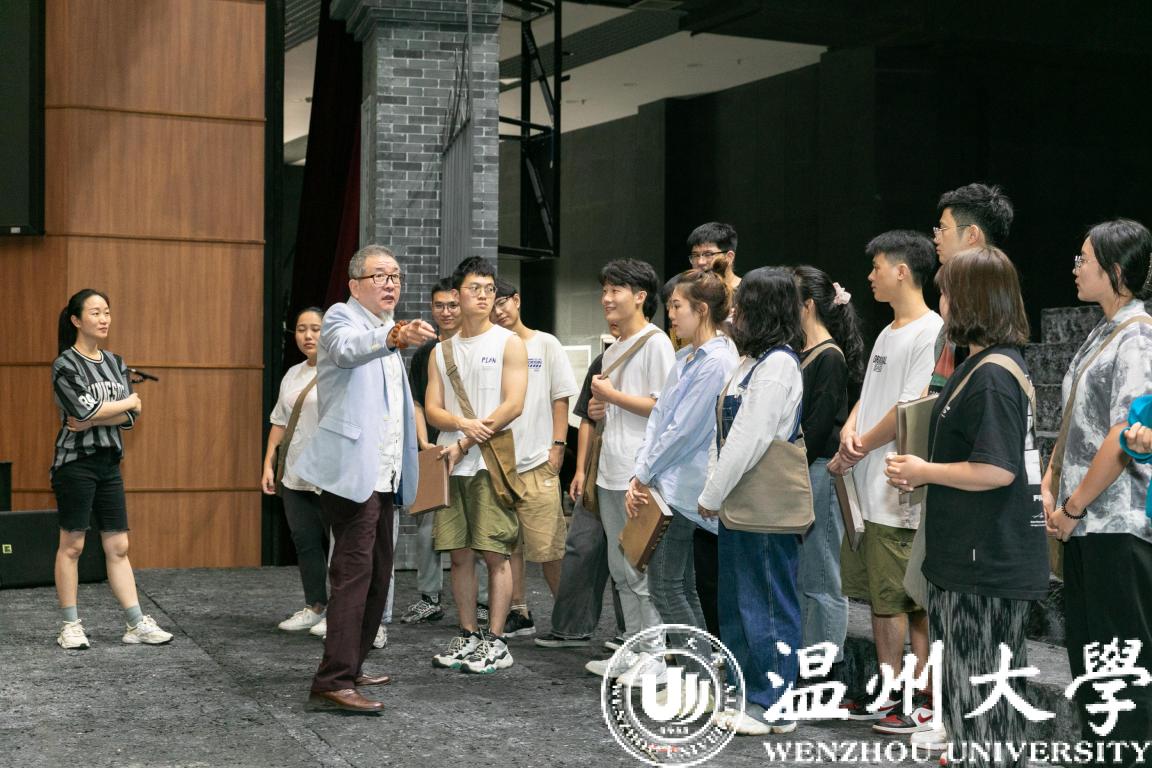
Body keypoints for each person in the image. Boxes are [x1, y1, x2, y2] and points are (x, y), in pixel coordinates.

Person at [884, 249, 1048, 760]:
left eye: (947, 293)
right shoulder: (979, 364)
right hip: (970, 557)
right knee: (970, 698)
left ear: (972, 300)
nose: (942, 303)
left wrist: (924, 471)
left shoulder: (994, 373)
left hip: (985, 563)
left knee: (982, 702)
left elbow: (997, 469)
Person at [292, 244, 437, 714]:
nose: (391, 283)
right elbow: (348, 351)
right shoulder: (342, 318)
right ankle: (331, 681)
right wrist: (393, 335)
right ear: (355, 284)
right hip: (353, 473)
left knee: (377, 576)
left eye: (396, 276)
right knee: (353, 577)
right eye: (380, 276)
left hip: (384, 474)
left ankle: (351, 667)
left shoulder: (386, 330)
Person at [1043, 219, 1152, 767]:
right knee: (1091, 665)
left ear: (1114, 270)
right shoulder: (1103, 330)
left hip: (1116, 525)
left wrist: (1072, 505)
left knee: (1120, 671)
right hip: (1088, 524)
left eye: (1084, 258)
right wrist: (1050, 482)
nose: (1076, 267)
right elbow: (1073, 422)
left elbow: (1122, 435)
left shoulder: (1138, 336)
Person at [829, 230, 943, 733]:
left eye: (877, 267)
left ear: (902, 270)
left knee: (908, 600)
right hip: (869, 485)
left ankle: (920, 697)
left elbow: (910, 406)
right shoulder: (887, 331)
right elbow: (872, 393)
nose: (870, 276)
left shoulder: (931, 330)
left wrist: (861, 444)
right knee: (881, 598)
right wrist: (851, 428)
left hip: (900, 489)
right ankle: (887, 690)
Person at [697, 267, 806, 736]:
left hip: (762, 506)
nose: (733, 311)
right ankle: (750, 694)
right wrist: (714, 489)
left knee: (767, 602)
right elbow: (723, 436)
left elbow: (748, 438)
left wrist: (711, 493)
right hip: (739, 503)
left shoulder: (779, 365)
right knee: (740, 601)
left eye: (741, 303)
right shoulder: (750, 362)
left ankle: (774, 701)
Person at [624, 259, 739, 683]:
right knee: (679, 586)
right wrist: (643, 471)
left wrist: (643, 474)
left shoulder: (717, 360)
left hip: (683, 489)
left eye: (677, 307)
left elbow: (684, 430)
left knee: (666, 588)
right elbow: (661, 419)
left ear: (701, 310)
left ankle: (699, 678)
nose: (670, 315)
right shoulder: (689, 356)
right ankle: (701, 674)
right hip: (669, 484)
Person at [51, 289, 173, 650]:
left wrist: (105, 414)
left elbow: (129, 417)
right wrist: (125, 403)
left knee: (119, 545)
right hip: (75, 464)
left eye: (106, 312)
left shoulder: (116, 362)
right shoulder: (65, 364)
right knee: (72, 545)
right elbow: (84, 410)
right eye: (95, 312)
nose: (104, 319)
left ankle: (135, 623)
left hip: (109, 463)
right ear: (76, 320)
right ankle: (70, 625)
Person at [425, 256, 528, 674]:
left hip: (487, 462)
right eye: (475, 288)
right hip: (450, 464)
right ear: (457, 294)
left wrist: (466, 439)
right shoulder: (441, 350)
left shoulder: (508, 342)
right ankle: (468, 634)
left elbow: (513, 404)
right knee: (459, 554)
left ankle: (497, 641)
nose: (484, 296)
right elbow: (432, 409)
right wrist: (460, 425)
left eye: (489, 289)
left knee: (495, 552)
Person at [583, 259, 677, 683]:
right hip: (610, 470)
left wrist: (612, 396)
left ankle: (654, 659)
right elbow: (613, 408)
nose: (606, 298)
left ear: (640, 297)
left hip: (639, 473)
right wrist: (599, 408)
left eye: (615, 290)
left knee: (641, 571)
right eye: (604, 290)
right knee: (621, 571)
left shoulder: (656, 343)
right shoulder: (614, 347)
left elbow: (664, 408)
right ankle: (632, 649)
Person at [491, 278, 578, 636]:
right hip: (500, 463)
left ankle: (569, 620)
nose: (497, 311)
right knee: (508, 545)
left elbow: (561, 398)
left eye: (502, 302)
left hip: (538, 461)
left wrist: (557, 446)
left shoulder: (545, 344)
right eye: (490, 306)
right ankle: (519, 610)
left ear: (517, 300)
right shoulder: (491, 348)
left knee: (549, 549)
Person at [533, 323, 628, 649]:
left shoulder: (656, 351)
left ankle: (630, 633)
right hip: (599, 465)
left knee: (627, 554)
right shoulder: (604, 361)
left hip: (631, 471)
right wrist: (581, 470)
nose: (608, 304)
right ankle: (570, 628)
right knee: (581, 546)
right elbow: (587, 418)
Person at [792, 266, 865, 678]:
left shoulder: (829, 356)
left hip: (818, 471)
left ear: (806, 306)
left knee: (822, 577)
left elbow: (819, 429)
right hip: (806, 471)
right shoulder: (805, 352)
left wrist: (789, 471)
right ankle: (810, 663)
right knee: (808, 575)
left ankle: (826, 670)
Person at [685, 223, 740, 635]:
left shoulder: (745, 296)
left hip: (729, 439)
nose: (702, 262)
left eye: (710, 254)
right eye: (696, 255)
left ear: (729, 256)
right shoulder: (691, 295)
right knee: (701, 566)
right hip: (698, 446)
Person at [261, 307, 328, 633]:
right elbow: (280, 422)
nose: (308, 336)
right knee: (306, 542)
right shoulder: (292, 373)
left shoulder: (339, 370)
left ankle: (341, 611)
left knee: (340, 546)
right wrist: (268, 462)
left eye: (315, 328)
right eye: (301, 329)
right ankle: (315, 605)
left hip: (330, 476)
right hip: (294, 473)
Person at [400, 277, 461, 625]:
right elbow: (417, 403)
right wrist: (425, 444)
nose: (446, 312)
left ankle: (484, 603)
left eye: (452, 305)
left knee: (477, 532)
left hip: (472, 448)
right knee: (426, 529)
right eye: (439, 306)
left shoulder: (479, 347)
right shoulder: (424, 353)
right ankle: (429, 598)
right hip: (435, 449)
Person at [929, 183, 1014, 393]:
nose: (936, 238)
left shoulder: (987, 314)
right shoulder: (992, 299)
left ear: (971, 234)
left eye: (943, 229)